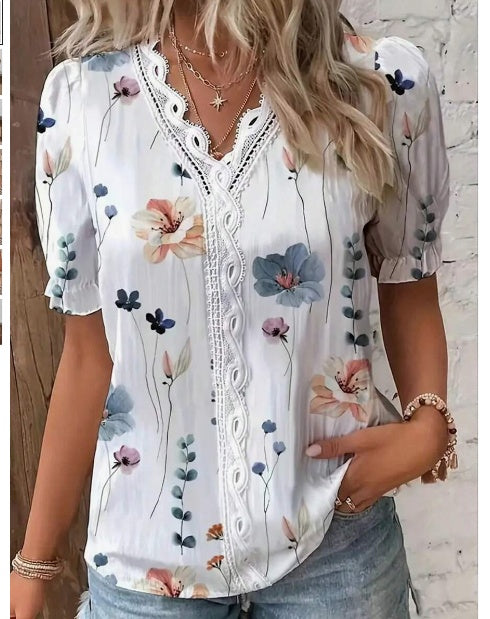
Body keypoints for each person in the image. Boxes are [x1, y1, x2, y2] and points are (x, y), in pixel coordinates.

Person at [11, 1, 456, 617]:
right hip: (147, 567)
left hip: (336, 545)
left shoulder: (377, 83)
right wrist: (33, 566)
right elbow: (88, 356)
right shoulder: (85, 101)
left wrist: (430, 425)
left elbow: (409, 283)